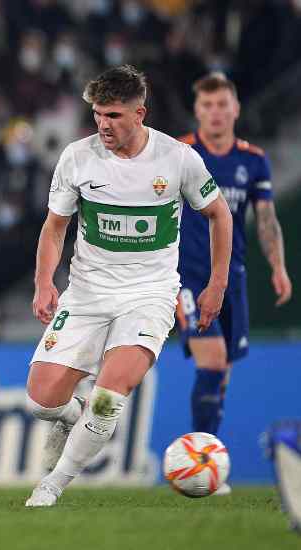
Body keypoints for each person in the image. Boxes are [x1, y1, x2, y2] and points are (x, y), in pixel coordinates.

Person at [24, 65, 233, 507]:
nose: (103, 124)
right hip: (86, 293)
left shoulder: (177, 159)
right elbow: (55, 226)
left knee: (108, 396)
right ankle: (67, 419)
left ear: (140, 113)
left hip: (149, 295)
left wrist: (217, 284)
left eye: (114, 115)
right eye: (98, 114)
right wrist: (45, 281)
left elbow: (220, 214)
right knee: (41, 400)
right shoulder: (77, 158)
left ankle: (53, 484)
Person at [177, 73, 292, 494]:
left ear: (236, 109)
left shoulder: (253, 160)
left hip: (234, 277)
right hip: (187, 277)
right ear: (198, 111)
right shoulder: (181, 154)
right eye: (208, 105)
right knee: (211, 360)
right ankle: (200, 459)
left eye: (223, 104)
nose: (216, 112)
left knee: (221, 372)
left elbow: (265, 219)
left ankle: (205, 458)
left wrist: (277, 267)